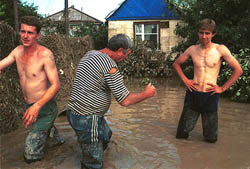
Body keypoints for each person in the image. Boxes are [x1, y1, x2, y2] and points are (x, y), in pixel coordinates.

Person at [66, 33, 156, 168]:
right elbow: (125, 100)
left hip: (73, 112)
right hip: (88, 118)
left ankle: (92, 150)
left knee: (106, 135)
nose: (127, 57)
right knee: (93, 163)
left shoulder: (91, 54)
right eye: (127, 54)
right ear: (120, 50)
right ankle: (92, 158)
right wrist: (146, 94)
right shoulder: (109, 65)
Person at [0, 16, 64, 163]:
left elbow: (56, 85)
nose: (25, 36)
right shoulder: (17, 52)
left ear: (38, 35)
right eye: (22, 31)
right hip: (31, 106)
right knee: (44, 134)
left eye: (30, 33)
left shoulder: (45, 55)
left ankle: (44, 139)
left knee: (30, 154)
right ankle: (53, 136)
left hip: (45, 107)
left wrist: (37, 106)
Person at [173, 18, 243, 143]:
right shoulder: (192, 49)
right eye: (201, 32)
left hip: (210, 95)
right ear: (198, 33)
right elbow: (176, 64)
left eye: (207, 33)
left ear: (213, 34)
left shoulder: (220, 50)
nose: (204, 36)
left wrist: (222, 88)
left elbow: (238, 70)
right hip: (193, 93)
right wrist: (185, 80)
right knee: (182, 135)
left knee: (211, 139)